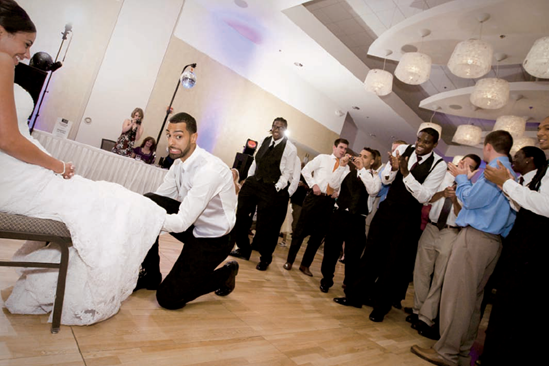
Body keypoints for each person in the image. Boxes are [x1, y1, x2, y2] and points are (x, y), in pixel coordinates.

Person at [0, 0, 166, 325]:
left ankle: (160, 220)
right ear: (2, 32)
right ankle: (164, 220)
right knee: (113, 201)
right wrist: (56, 165)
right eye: (26, 43)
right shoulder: (2, 61)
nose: (26, 53)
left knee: (105, 196)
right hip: (13, 174)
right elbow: (8, 138)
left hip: (14, 170)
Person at [411, 130, 517, 366]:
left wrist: (461, 178)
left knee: (457, 297)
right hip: (494, 241)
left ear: (488, 146)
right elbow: (510, 217)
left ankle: (446, 352)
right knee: (473, 300)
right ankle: (460, 351)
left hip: (475, 238)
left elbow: (469, 200)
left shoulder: (495, 169)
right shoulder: (511, 174)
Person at [334, 128, 446, 322]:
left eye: (426, 142)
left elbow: (425, 196)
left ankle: (380, 307)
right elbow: (384, 180)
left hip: (408, 217)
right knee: (370, 255)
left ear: (435, 145)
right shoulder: (402, 149)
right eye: (419, 139)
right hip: (387, 211)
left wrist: (405, 173)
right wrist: (394, 170)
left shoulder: (439, 164)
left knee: (392, 263)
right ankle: (354, 297)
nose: (420, 144)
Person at [134, 112, 239, 309]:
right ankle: (151, 275)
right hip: (193, 224)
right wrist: (139, 209)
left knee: (168, 299)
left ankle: (226, 274)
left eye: (179, 136)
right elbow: (158, 199)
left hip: (215, 239)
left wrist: (145, 216)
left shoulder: (209, 170)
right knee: (148, 202)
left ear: (193, 137)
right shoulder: (178, 163)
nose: (171, 142)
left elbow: (181, 222)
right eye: (169, 135)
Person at [480, 127, 549, 366]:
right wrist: (505, 186)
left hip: (534, 254)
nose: (540, 132)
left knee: (516, 316)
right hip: (520, 251)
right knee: (503, 312)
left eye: (546, 128)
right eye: (539, 127)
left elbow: (546, 207)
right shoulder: (545, 168)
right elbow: (527, 207)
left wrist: (507, 185)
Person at [409, 154, 481, 340]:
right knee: (421, 271)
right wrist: (443, 193)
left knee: (439, 277)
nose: (463, 166)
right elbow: (427, 199)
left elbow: (462, 216)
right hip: (431, 228)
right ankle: (418, 310)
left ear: (473, 172)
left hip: (451, 232)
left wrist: (456, 198)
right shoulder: (443, 177)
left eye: (468, 166)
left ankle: (426, 317)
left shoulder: (471, 191)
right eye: (462, 162)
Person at [230, 117, 297, 271]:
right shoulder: (264, 140)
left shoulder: (290, 148)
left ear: (285, 130)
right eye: (274, 126)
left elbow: (287, 173)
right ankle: (243, 248)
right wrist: (249, 178)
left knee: (265, 226)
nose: (276, 129)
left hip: (271, 187)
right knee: (241, 215)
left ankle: (265, 257)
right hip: (254, 183)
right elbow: (255, 162)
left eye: (280, 127)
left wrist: (277, 187)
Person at [283, 138, 349, 276]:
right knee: (300, 231)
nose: (343, 151)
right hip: (314, 198)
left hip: (329, 203)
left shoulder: (346, 167)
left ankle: (305, 265)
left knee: (317, 236)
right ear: (334, 147)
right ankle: (290, 260)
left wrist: (338, 193)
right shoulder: (323, 158)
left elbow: (344, 185)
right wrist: (314, 185)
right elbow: (306, 170)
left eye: (345, 149)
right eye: (341, 147)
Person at [320, 148, 381, 294]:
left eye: (365, 157)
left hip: (357, 219)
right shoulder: (346, 171)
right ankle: (326, 279)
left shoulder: (374, 177)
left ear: (371, 161)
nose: (360, 158)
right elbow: (333, 184)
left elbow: (373, 190)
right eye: (360, 155)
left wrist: (362, 171)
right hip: (339, 215)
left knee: (353, 254)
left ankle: (349, 283)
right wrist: (341, 166)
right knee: (331, 250)